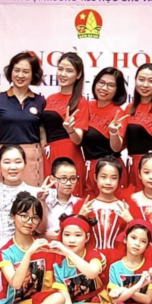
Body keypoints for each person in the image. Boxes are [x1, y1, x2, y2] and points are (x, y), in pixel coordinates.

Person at [41, 215, 134, 304]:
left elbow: (91, 272)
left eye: (78, 235)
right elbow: (64, 294)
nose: (71, 240)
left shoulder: (94, 255)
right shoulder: (58, 263)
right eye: (67, 235)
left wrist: (67, 252)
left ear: (87, 237)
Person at [0, 144, 44, 295]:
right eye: (7, 162)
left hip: (25, 247)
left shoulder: (36, 192)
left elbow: (41, 228)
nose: (13, 167)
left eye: (18, 161)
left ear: (25, 164)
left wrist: (42, 201)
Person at [0, 51, 47, 185]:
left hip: (31, 159)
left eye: (25, 71)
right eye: (17, 70)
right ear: (10, 72)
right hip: (6, 156)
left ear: (33, 75)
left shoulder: (40, 101)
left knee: (31, 197)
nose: (20, 75)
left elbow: (43, 136)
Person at [113, 63, 152, 192]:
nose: (145, 85)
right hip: (133, 166)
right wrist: (113, 133)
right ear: (135, 80)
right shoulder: (129, 108)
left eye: (151, 81)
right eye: (141, 79)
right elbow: (119, 146)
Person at [41, 52, 88, 197]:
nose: (63, 74)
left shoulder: (80, 102)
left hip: (68, 151)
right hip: (49, 152)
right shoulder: (50, 98)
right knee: (49, 195)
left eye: (69, 71)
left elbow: (78, 139)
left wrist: (71, 130)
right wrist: (43, 144)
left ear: (78, 75)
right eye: (60, 69)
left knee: (68, 195)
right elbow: (43, 126)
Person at [77, 158, 141, 263]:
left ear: (119, 179)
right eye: (103, 177)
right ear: (95, 177)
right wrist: (80, 217)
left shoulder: (125, 207)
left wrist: (130, 221)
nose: (108, 182)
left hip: (119, 260)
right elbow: (74, 235)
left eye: (114, 178)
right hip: (91, 259)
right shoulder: (87, 206)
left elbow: (139, 236)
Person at [81, 67, 126, 194]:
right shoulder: (86, 106)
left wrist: (113, 133)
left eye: (111, 85)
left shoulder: (118, 113)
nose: (104, 88)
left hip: (110, 170)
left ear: (117, 90)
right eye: (101, 83)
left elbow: (117, 148)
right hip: (89, 168)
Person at [42, 157, 82, 238]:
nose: (68, 183)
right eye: (63, 178)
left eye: (73, 178)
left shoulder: (80, 204)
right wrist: (44, 235)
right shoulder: (45, 199)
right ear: (52, 179)